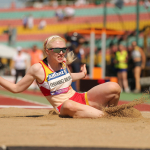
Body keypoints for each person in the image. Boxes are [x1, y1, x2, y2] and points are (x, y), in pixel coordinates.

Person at [0, 35, 121, 118]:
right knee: (68, 104)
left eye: (63, 49)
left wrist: (82, 74)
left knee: (114, 87)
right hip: (64, 107)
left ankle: (111, 112)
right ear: (47, 51)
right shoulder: (37, 69)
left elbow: (67, 77)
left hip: (80, 98)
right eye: (57, 49)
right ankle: (106, 116)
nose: (62, 52)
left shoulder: (63, 62)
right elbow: (16, 89)